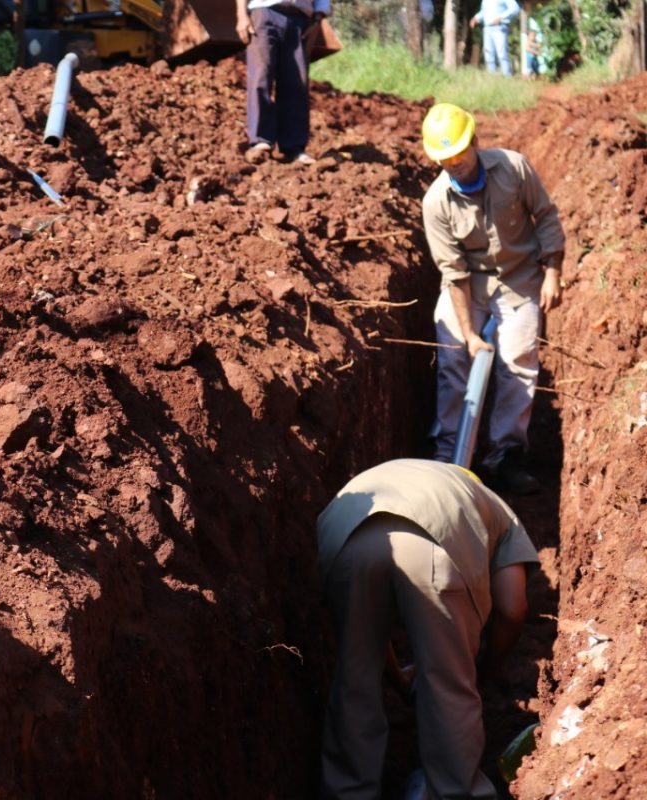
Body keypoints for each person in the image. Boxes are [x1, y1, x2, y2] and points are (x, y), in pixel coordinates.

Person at [318, 458, 538, 799]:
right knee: (447, 684)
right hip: (435, 542)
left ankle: (349, 791)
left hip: (344, 534)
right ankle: (455, 792)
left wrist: (394, 676)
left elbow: (368, 643)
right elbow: (512, 608)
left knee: (355, 679)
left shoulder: (397, 474)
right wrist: (485, 669)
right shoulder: (493, 503)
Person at [420, 102, 564, 495]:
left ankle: (505, 458)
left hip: (520, 278)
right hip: (469, 287)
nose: (454, 163)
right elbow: (454, 274)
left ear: (475, 142)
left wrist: (552, 271)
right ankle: (449, 457)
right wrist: (468, 334)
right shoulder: (436, 203)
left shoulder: (514, 168)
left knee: (517, 362)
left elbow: (546, 216)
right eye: (444, 158)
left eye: (459, 153)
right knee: (452, 357)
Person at [235, 0, 331, 166]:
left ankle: (293, 147)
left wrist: (317, 19)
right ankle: (260, 141)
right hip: (264, 12)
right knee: (260, 78)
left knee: (296, 83)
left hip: (300, 21)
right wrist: (242, 15)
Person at [469, 0, 521, 76]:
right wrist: (476, 18)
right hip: (487, 29)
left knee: (502, 54)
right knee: (488, 55)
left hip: (499, 28)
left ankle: (507, 77)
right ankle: (492, 78)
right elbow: (484, 12)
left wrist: (501, 17)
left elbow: (515, 8)